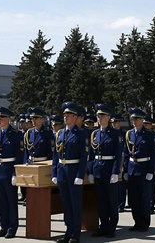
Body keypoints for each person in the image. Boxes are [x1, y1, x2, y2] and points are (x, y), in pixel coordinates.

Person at [52, 102, 88, 243]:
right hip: (62, 172)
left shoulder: (81, 134)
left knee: (75, 204)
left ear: (75, 117)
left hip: (74, 172)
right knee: (66, 204)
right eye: (65, 115)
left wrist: (80, 175)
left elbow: (83, 157)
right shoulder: (60, 133)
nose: (66, 117)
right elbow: (56, 155)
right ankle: (68, 231)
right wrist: (54, 173)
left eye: (69, 115)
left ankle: (76, 234)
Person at [0, 106, 23, 239]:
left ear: (8, 119)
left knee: (11, 201)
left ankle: (12, 228)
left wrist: (16, 173)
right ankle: (3, 226)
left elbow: (19, 155)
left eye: (2, 118)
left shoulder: (16, 134)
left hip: (9, 170)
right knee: (1, 202)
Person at [89, 104, 122, 238]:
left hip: (109, 170)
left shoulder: (115, 134)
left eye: (102, 115)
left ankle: (112, 227)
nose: (99, 118)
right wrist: (90, 171)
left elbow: (118, 155)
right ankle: (103, 226)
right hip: (98, 169)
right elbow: (91, 155)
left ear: (108, 118)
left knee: (111, 200)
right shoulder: (95, 134)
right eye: (98, 115)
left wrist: (115, 172)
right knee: (101, 201)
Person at [123, 107, 155, 232]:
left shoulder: (149, 134)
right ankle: (137, 222)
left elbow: (153, 154)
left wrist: (150, 171)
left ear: (142, 120)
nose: (134, 121)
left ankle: (144, 223)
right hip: (132, 169)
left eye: (137, 119)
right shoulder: (129, 134)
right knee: (133, 198)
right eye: (133, 119)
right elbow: (126, 153)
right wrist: (125, 170)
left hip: (144, 169)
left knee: (144, 198)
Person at [112, 113, 127, 213]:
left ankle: (121, 204)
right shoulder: (111, 133)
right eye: (113, 122)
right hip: (112, 159)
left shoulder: (123, 134)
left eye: (117, 122)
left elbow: (127, 148)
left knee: (121, 184)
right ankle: (115, 203)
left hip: (121, 158)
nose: (115, 124)